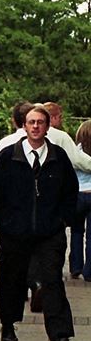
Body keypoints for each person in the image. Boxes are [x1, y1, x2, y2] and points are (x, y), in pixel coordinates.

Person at [0, 105, 78, 341]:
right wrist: (1, 220)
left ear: (47, 126)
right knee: (12, 278)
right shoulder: (9, 157)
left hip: (49, 231)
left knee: (51, 280)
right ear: (24, 125)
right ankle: (8, 325)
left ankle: (59, 335)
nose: (36, 126)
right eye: (31, 122)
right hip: (15, 231)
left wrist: (64, 219)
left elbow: (70, 191)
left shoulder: (58, 156)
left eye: (40, 122)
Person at [71, 120, 91, 281]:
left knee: (77, 232)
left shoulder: (75, 151)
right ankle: (89, 270)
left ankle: (75, 266)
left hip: (78, 194)